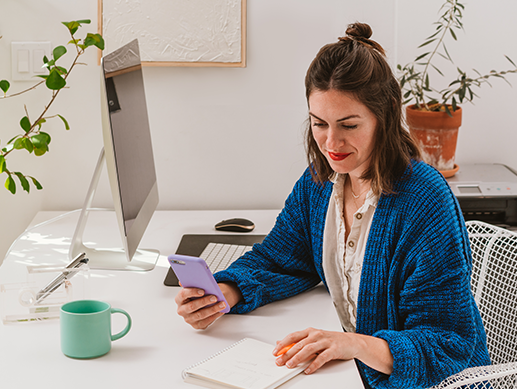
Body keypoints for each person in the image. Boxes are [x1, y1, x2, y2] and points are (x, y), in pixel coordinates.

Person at [175, 22, 491, 388]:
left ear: (385, 113)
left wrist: (353, 344)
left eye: (349, 125)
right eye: (319, 123)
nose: (331, 142)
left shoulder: (424, 200)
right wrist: (225, 294)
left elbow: (449, 346)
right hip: (350, 375)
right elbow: (281, 257)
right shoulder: (320, 183)